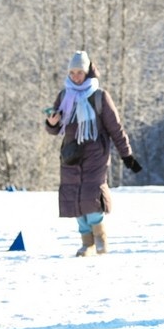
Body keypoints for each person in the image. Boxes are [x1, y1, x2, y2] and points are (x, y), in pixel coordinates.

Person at [44, 51, 142, 256]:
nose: (76, 76)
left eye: (80, 72)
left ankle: (100, 238)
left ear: (88, 71)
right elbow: (54, 128)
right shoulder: (64, 96)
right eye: (72, 72)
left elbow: (116, 129)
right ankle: (86, 242)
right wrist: (51, 123)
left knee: (91, 194)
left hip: (96, 154)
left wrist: (128, 156)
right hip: (71, 155)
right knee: (74, 196)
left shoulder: (99, 96)